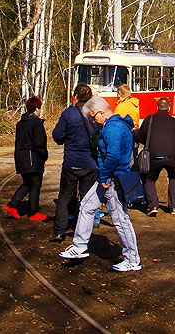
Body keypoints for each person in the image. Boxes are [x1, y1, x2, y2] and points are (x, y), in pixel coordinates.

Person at [59, 97, 141, 273]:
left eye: (93, 116)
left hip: (112, 180)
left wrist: (103, 177)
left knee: (120, 220)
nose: (92, 119)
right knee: (87, 207)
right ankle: (79, 247)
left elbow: (112, 156)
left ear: (101, 112)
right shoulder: (116, 125)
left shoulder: (112, 128)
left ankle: (133, 259)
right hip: (108, 179)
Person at [50, 84, 98, 242]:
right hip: (90, 163)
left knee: (64, 197)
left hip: (71, 162)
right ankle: (85, 232)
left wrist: (67, 139)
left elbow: (57, 135)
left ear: (75, 96)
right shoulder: (94, 114)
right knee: (86, 199)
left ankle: (59, 231)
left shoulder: (68, 114)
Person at [134, 97, 175, 216]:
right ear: (169, 108)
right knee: (174, 177)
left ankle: (153, 205)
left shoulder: (150, 119)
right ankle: (174, 207)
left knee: (149, 179)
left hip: (154, 157)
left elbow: (140, 136)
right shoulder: (174, 121)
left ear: (157, 107)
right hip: (172, 157)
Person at [6, 95, 48, 221]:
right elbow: (39, 143)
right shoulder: (36, 123)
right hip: (33, 159)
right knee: (35, 184)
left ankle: (13, 205)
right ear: (36, 109)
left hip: (21, 158)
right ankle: (32, 211)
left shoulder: (21, 123)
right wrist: (44, 155)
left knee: (28, 183)